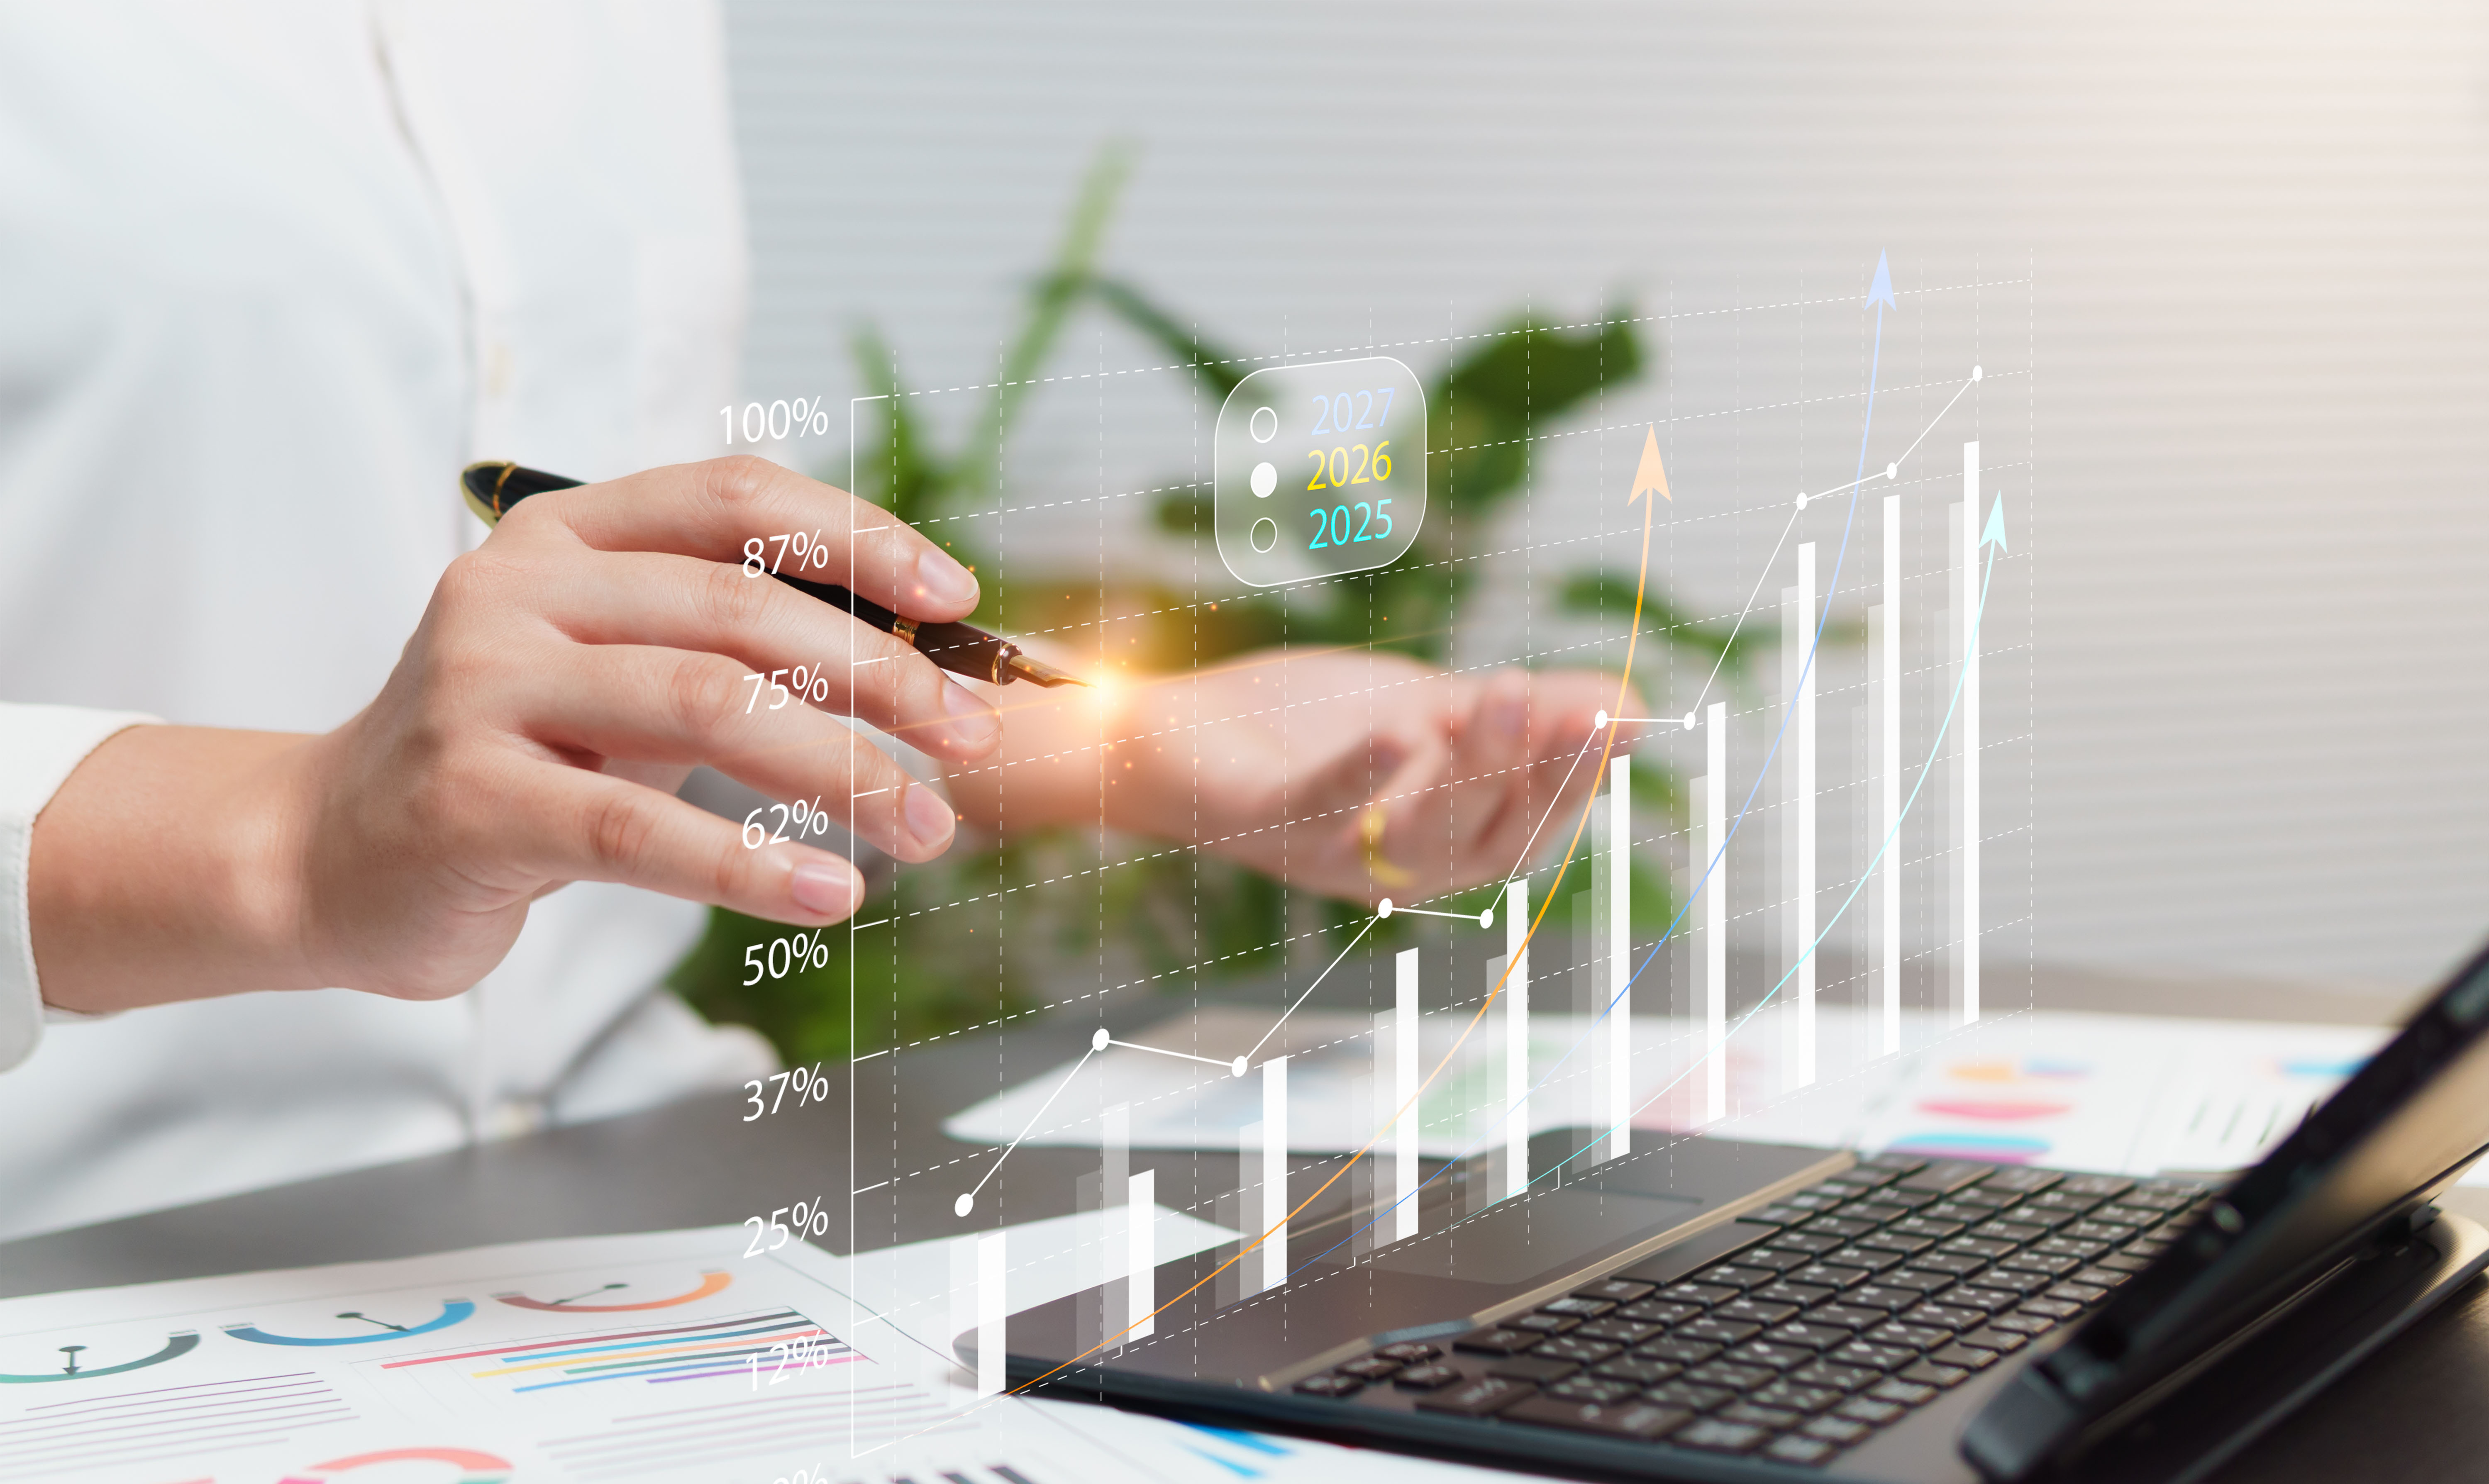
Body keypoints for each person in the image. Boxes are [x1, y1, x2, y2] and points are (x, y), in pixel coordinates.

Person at [0, 1, 1625, 1240]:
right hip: (89, 1240)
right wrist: (299, 847)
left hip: (624, 1196)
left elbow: (648, 623)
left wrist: (1133, 749)